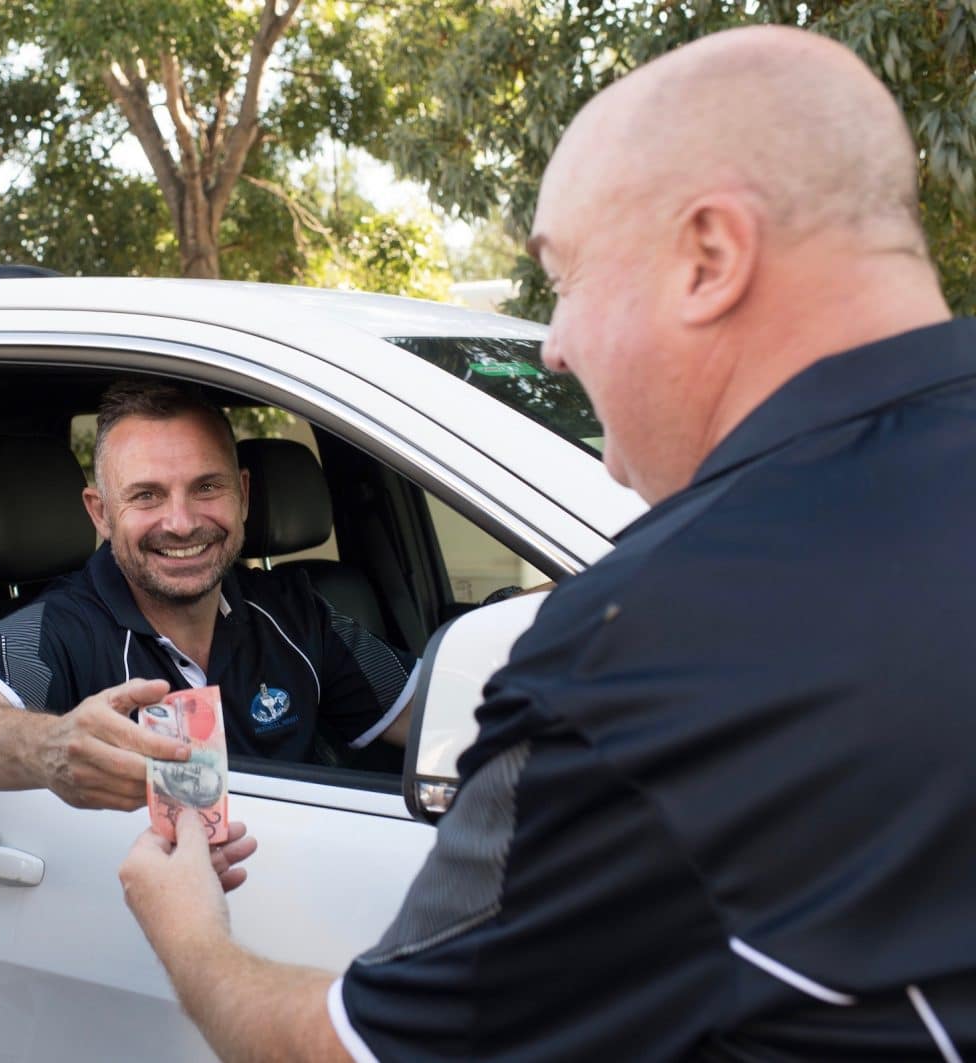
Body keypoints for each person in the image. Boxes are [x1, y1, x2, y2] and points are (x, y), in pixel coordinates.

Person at [118, 24, 976, 1060]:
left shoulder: (649, 646)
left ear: (709, 257)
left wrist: (190, 934)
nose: (556, 347)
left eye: (563, 278)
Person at [0, 378, 419, 810]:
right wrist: (48, 748)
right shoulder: (56, 629)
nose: (182, 523)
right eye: (147, 496)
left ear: (244, 494)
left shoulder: (293, 611)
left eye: (207, 486)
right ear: (100, 514)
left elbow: (433, 714)